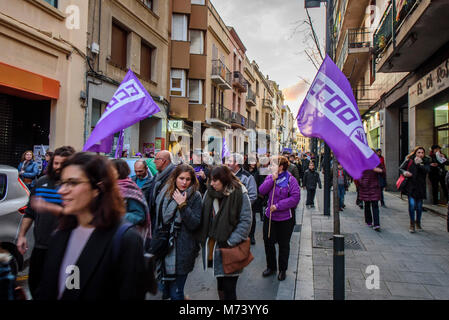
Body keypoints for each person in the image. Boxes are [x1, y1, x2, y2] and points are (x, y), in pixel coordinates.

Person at [36, 152, 146, 300]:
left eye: (73, 183)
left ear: (97, 189)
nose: (62, 191)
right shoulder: (60, 233)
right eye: (62, 183)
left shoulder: (126, 240)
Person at [16, 146, 75, 299]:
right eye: (56, 163)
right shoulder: (41, 182)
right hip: (41, 247)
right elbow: (30, 213)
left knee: (67, 291)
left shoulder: (75, 187)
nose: (58, 167)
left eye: (63, 163)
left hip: (67, 250)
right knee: (36, 288)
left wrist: (50, 207)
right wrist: (22, 235)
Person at [197, 165, 252, 300]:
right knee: (220, 283)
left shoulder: (240, 193)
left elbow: (245, 221)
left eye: (216, 180)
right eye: (211, 180)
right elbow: (204, 217)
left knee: (229, 288)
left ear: (225, 179)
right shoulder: (209, 193)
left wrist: (230, 241)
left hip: (231, 247)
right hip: (213, 246)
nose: (212, 183)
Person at [154, 164, 202, 300]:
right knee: (163, 291)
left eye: (188, 179)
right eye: (181, 178)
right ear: (175, 178)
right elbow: (159, 218)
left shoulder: (195, 196)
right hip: (164, 247)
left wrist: (183, 205)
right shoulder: (166, 192)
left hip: (183, 250)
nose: (184, 182)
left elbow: (194, 224)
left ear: (192, 180)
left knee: (176, 293)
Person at [259, 156, 300, 281]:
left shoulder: (291, 180)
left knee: (283, 245)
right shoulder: (270, 177)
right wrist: (272, 179)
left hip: (285, 219)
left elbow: (295, 198)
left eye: (273, 165)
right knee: (268, 242)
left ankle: (282, 270)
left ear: (281, 167)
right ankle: (271, 267)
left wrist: (278, 206)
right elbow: (261, 190)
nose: (270, 167)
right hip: (270, 217)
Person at [111, 159, 150, 237]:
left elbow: (139, 215)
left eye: (110, 170)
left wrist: (117, 217)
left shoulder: (129, 188)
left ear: (119, 171)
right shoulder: (110, 187)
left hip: (124, 234)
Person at [226, 154, 258, 245]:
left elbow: (253, 195)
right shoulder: (225, 175)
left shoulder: (248, 177)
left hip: (241, 213)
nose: (228, 163)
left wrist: (240, 206)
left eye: (230, 161)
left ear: (236, 163)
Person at [400, 146, 431, 233]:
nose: (421, 154)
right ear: (415, 153)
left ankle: (418, 222)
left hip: (420, 187)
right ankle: (412, 224)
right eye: (419, 152)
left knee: (419, 207)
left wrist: (420, 164)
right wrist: (405, 172)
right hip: (411, 186)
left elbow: (427, 170)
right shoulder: (409, 160)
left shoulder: (426, 161)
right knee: (412, 205)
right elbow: (401, 168)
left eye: (422, 153)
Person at [147, 150, 176, 233]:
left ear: (163, 161)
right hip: (155, 219)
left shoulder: (174, 176)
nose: (154, 161)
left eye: (156, 159)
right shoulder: (157, 175)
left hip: (165, 225)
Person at [358, 160, 385, 232]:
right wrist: (362, 182)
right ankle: (368, 221)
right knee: (367, 204)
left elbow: (383, 172)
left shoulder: (376, 163)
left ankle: (376, 224)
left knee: (375, 205)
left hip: (374, 186)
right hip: (365, 186)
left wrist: (380, 171)